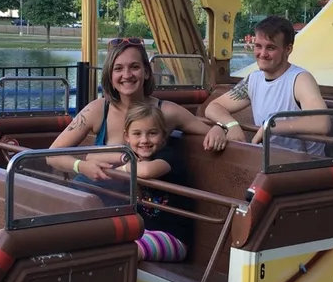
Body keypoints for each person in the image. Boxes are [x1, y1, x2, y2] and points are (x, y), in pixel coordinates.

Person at [48, 37, 227, 180]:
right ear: (110, 76)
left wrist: (220, 128)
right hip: (98, 196)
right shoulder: (96, 110)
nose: (127, 75)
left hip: (141, 209)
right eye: (118, 69)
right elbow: (52, 155)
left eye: (134, 67)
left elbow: (212, 131)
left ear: (147, 72)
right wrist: (80, 166)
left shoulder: (167, 111)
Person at [205, 15, 329, 155]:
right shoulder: (253, 79)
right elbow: (213, 107)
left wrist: (271, 126)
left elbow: (321, 122)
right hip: (269, 161)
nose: (262, 54)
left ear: (288, 49)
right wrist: (229, 125)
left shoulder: (300, 79)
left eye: (270, 48)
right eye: (258, 46)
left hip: (306, 166)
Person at [106, 101, 193, 262]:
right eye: (137, 134)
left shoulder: (169, 156)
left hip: (172, 237)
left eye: (152, 133)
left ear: (163, 136)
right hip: (142, 230)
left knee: (126, 252)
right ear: (127, 137)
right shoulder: (132, 158)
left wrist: (122, 169)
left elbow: (146, 171)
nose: (144, 140)